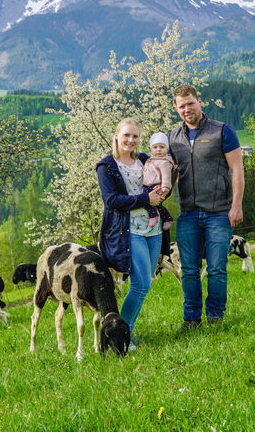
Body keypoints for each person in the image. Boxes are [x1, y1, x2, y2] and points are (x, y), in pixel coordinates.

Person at [168, 84, 244, 331]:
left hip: (219, 212)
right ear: (176, 109)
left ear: (199, 102)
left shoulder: (222, 131)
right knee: (189, 270)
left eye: (190, 103)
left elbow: (237, 169)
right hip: (188, 213)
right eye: (182, 106)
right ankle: (191, 320)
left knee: (217, 269)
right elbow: (169, 175)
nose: (187, 109)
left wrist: (236, 206)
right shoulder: (173, 138)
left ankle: (215, 318)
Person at [96, 118, 167, 350]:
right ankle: (120, 334)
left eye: (135, 136)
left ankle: (128, 333)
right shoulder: (106, 167)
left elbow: (163, 174)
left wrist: (163, 189)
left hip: (154, 229)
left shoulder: (145, 159)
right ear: (116, 135)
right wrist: (146, 198)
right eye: (126, 135)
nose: (131, 140)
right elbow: (112, 200)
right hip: (129, 231)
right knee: (141, 284)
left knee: (145, 284)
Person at [142, 132, 176, 230]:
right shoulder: (151, 160)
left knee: (147, 199)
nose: (158, 150)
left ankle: (153, 216)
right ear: (150, 149)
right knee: (158, 204)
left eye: (162, 147)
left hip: (156, 186)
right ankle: (167, 217)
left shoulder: (165, 162)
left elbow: (166, 176)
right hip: (148, 184)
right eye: (155, 147)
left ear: (167, 149)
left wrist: (165, 187)